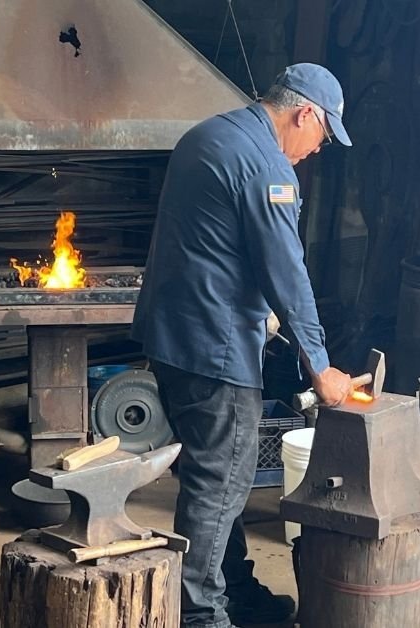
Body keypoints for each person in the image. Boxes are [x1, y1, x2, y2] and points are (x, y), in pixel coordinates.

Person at [131, 63, 355, 628]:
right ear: (306, 113)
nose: (315, 151)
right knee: (218, 486)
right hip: (214, 351)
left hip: (170, 337)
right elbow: (288, 273)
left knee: (214, 478)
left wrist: (260, 314)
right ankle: (201, 615)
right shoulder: (267, 166)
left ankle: (234, 593)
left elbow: (215, 244)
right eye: (322, 138)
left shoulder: (212, 133)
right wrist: (321, 367)